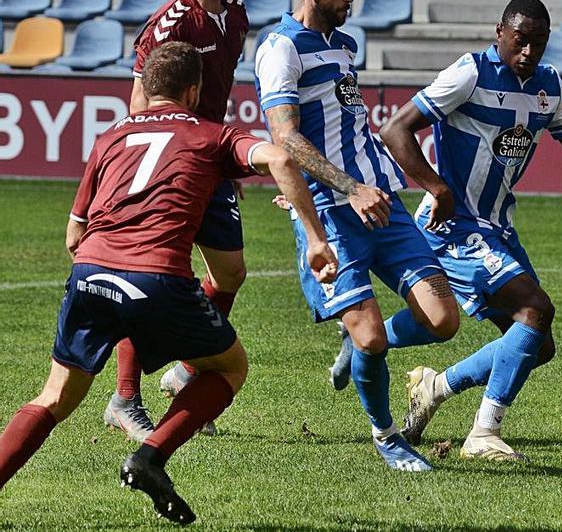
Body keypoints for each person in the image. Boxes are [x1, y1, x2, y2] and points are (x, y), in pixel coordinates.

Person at [0, 42, 336, 525]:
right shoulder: (212, 134)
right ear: (194, 90)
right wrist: (316, 239)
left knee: (54, 397)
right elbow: (282, 161)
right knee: (229, 368)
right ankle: (151, 456)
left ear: (147, 88)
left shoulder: (111, 135)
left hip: (90, 273)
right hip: (156, 278)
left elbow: (74, 234)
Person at [378, 0, 562, 461]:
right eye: (520, 41)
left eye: (539, 43)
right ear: (500, 32)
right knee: (535, 310)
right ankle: (483, 434)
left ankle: (435, 387)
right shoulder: (470, 73)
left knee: (538, 344)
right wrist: (436, 187)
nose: (528, 53)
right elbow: (396, 129)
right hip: (453, 224)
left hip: (497, 227)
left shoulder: (549, 85)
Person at [254, 0, 460, 472]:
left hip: (379, 201)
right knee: (371, 337)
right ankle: (388, 436)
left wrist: (377, 185)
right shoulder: (280, 47)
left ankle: (357, 341)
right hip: (333, 208)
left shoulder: (343, 45)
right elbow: (285, 137)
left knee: (443, 321)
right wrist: (347, 188)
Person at [104, 0, 252, 442]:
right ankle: (124, 398)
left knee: (230, 273)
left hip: (210, 163)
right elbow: (139, 106)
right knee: (153, 280)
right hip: (170, 167)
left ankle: (186, 370)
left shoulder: (235, 18)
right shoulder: (168, 26)